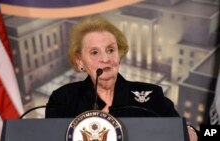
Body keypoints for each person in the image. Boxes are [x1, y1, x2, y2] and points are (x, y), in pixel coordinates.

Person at [45, 16, 198, 141]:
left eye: (111, 49)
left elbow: (184, 132)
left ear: (119, 54)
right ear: (80, 61)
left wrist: (192, 132)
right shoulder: (63, 98)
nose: (105, 58)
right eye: (94, 52)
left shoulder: (150, 94)